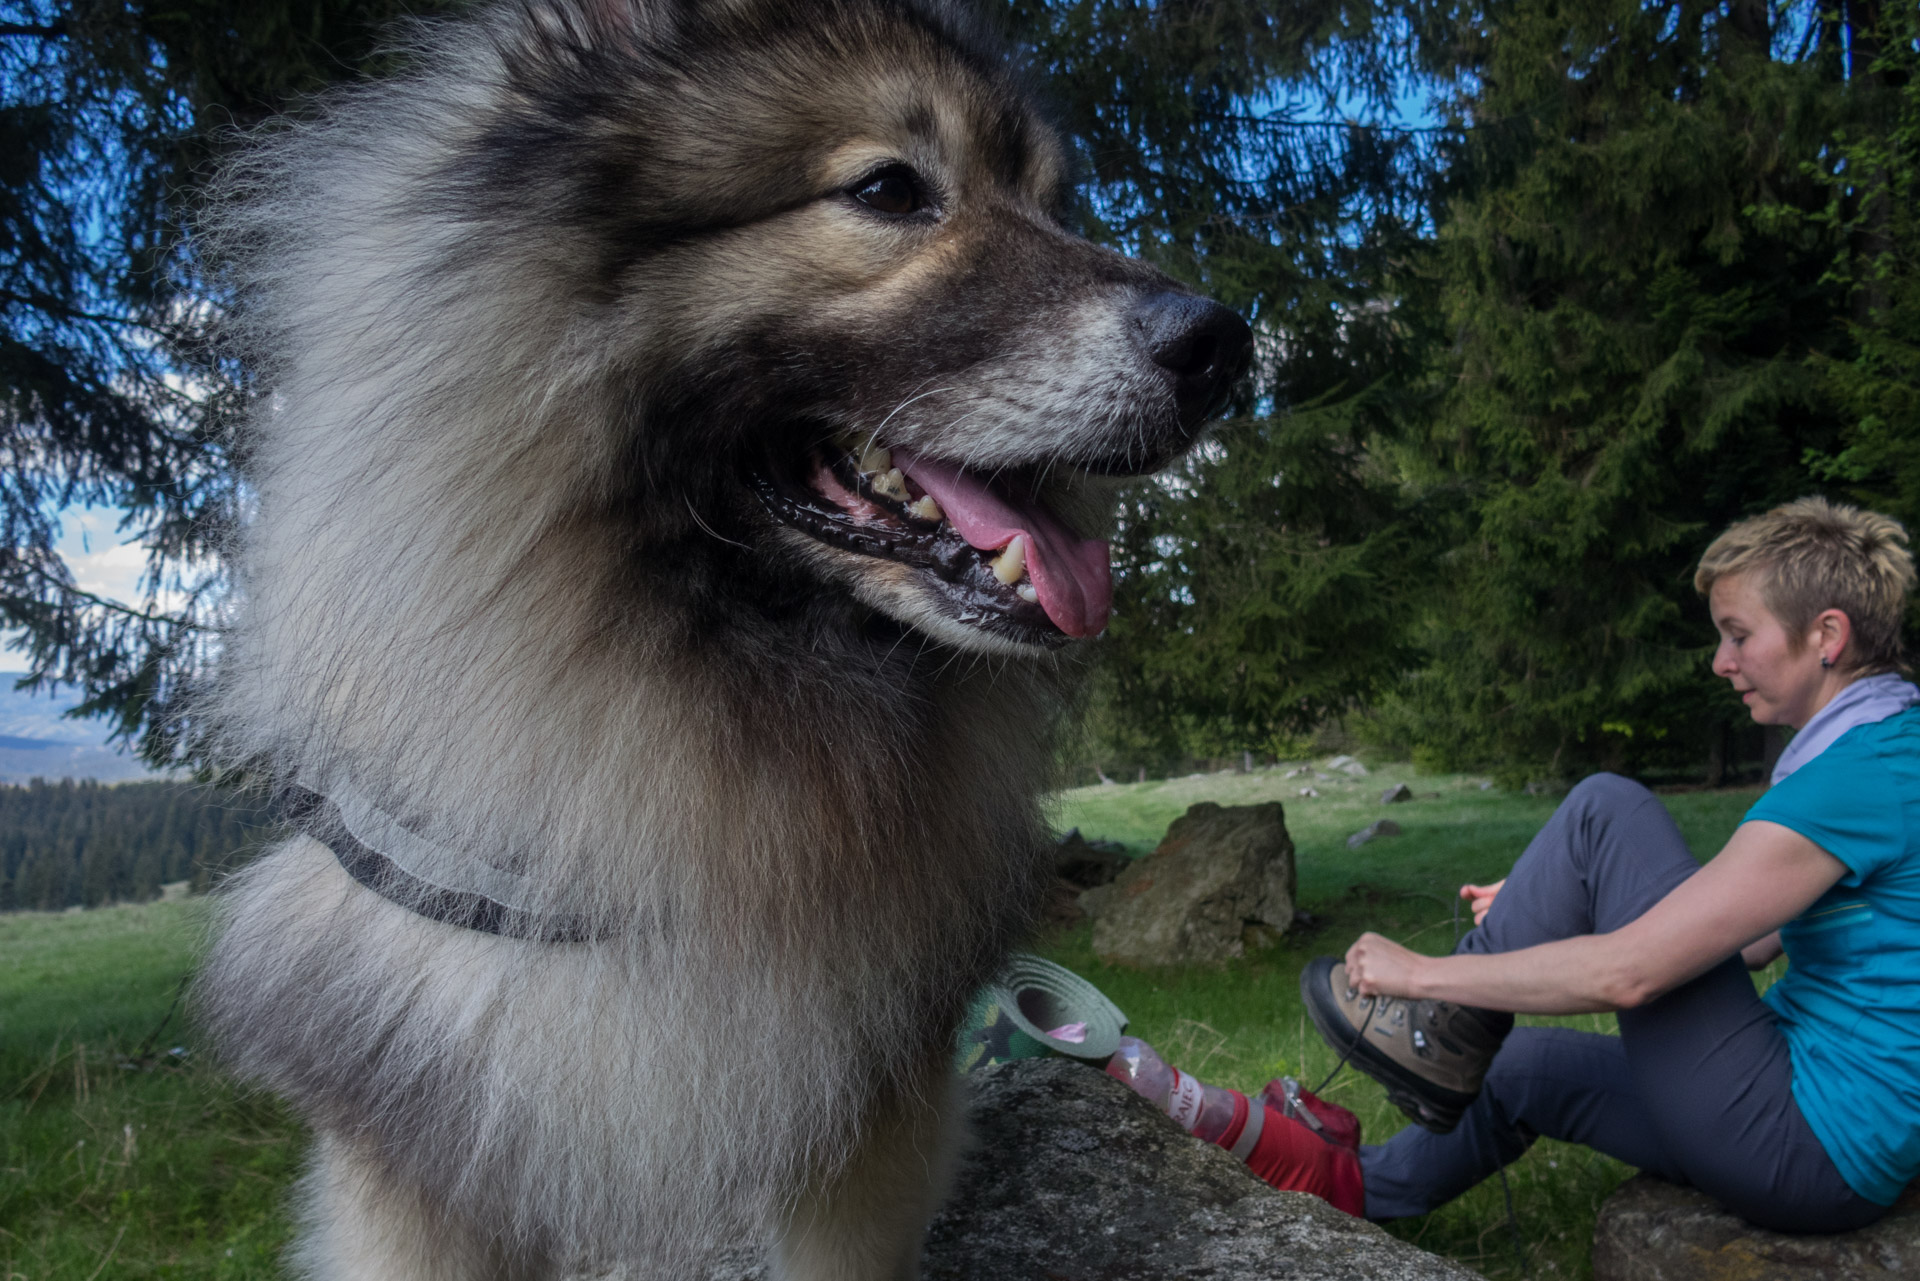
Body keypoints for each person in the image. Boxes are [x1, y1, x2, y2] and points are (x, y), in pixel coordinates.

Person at [1288, 497, 1920, 1232]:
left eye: (1739, 635)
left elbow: (1636, 972)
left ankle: (1436, 1021)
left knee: (1604, 809)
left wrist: (1419, 973)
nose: (1721, 661)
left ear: (1827, 635)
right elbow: (1742, 940)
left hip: (1810, 1143)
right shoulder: (1883, 745)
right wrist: (1544, 899)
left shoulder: (1858, 776)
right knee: (1517, 1068)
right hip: (1813, 1126)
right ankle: (1345, 1201)